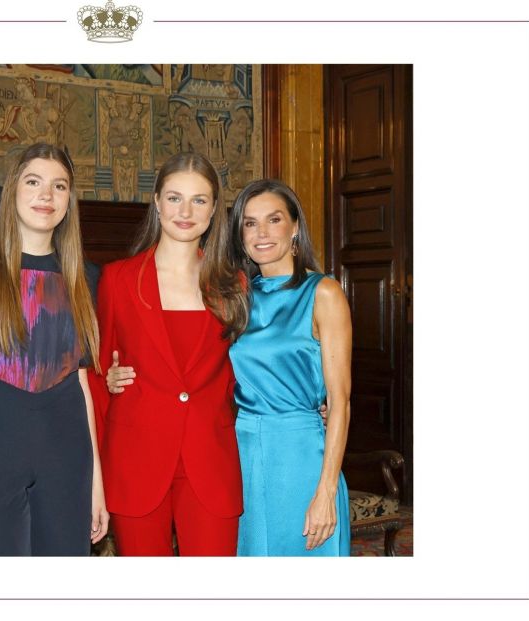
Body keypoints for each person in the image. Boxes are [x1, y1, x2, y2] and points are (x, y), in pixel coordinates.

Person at [0, 143, 109, 556]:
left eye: (59, 186)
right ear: (13, 191)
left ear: (69, 200)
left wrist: (96, 486)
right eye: (33, 182)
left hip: (67, 455)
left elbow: (82, 384)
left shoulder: (85, 277)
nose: (45, 195)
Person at [89, 152, 246, 556]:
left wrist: (312, 400)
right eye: (175, 198)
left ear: (214, 211)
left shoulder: (235, 284)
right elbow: (96, 374)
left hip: (210, 465)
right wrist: (97, 477)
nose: (186, 211)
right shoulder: (118, 280)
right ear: (157, 202)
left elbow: (251, 368)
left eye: (199, 200)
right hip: (135, 464)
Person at [227, 179, 352, 556]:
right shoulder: (234, 298)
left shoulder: (323, 293)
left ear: (295, 227)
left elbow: (340, 402)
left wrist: (326, 491)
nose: (261, 233)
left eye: (274, 220)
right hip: (241, 455)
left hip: (300, 458)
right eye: (250, 223)